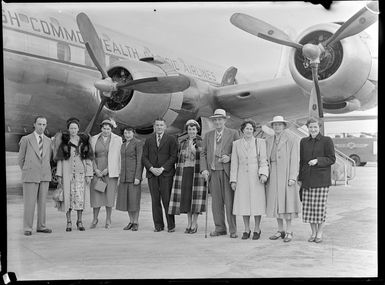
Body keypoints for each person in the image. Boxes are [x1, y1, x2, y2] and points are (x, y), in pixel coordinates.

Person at [200, 109, 240, 238]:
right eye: (215, 119)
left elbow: (239, 152)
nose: (217, 122)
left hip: (227, 172)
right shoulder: (208, 135)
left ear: (225, 120)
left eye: (220, 119)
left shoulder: (233, 133)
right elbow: (203, 153)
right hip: (213, 172)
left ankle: (233, 230)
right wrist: (204, 169)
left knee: (229, 202)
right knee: (216, 203)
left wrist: (229, 157)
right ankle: (220, 228)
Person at [298, 117, 336, 243]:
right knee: (309, 209)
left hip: (321, 180)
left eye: (315, 127)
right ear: (307, 128)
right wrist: (300, 178)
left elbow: (332, 159)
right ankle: (313, 232)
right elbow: (302, 161)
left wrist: (318, 160)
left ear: (319, 127)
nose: (313, 129)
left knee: (319, 209)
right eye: (310, 127)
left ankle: (319, 232)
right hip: (307, 180)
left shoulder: (327, 140)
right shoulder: (303, 141)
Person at [230, 120, 269, 240]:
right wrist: (233, 180)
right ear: (242, 130)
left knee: (257, 203)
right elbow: (234, 162)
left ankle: (257, 228)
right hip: (242, 176)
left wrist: (264, 174)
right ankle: (246, 229)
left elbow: (263, 159)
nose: (249, 131)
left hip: (255, 176)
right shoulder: (236, 144)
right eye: (247, 129)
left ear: (254, 130)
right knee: (244, 203)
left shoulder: (260, 142)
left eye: (251, 129)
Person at [265, 116, 301, 242]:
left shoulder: (292, 139)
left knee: (287, 203)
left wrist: (293, 176)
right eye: (275, 125)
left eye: (280, 125)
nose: (277, 127)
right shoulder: (268, 140)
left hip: (286, 173)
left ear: (284, 126)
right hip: (273, 173)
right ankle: (280, 230)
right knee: (276, 203)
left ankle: (289, 231)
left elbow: (295, 159)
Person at [55, 118, 94, 232]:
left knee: (79, 199)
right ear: (68, 129)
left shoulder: (84, 142)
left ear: (78, 129)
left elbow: (88, 159)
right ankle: (68, 222)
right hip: (68, 174)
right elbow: (60, 160)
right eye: (71, 128)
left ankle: (79, 221)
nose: (73, 130)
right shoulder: (64, 143)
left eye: (75, 128)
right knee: (68, 198)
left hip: (81, 174)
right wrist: (59, 175)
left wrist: (89, 174)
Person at [168, 120, 206, 234]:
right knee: (187, 198)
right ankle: (189, 222)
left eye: (193, 129)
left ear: (197, 130)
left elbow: (204, 157)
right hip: (184, 171)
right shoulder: (183, 142)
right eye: (189, 129)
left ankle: (195, 223)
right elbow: (179, 157)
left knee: (195, 199)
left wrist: (195, 151)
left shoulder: (201, 142)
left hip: (196, 173)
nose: (191, 131)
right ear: (187, 130)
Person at [18, 115, 53, 236]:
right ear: (34, 124)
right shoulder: (26, 139)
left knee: (43, 203)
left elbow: (48, 158)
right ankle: (27, 227)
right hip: (30, 175)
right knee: (29, 203)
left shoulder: (49, 141)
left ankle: (41, 226)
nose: (41, 127)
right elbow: (21, 159)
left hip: (44, 175)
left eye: (44, 125)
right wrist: (27, 170)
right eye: (39, 124)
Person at [142, 118, 178, 232]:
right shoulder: (148, 140)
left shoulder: (171, 139)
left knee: (167, 200)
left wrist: (162, 169)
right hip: (152, 174)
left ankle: (171, 225)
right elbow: (144, 157)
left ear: (165, 127)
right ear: (154, 127)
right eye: (157, 125)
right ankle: (158, 225)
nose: (159, 127)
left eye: (161, 125)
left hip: (166, 174)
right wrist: (152, 168)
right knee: (155, 200)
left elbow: (173, 157)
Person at [90, 119, 122, 229]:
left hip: (110, 172)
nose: (106, 130)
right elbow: (91, 156)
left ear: (111, 129)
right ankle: (95, 218)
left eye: (108, 129)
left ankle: (108, 219)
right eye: (104, 128)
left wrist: (108, 169)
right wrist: (95, 169)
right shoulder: (94, 139)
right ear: (101, 128)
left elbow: (118, 157)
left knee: (109, 196)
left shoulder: (117, 139)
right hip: (98, 173)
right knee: (97, 195)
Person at [116, 127, 143, 231]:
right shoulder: (123, 145)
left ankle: (136, 222)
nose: (127, 135)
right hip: (124, 176)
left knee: (134, 200)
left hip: (133, 176)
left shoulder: (138, 143)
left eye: (129, 133)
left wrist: (138, 176)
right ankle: (131, 221)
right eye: (125, 133)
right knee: (127, 200)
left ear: (133, 133)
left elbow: (140, 161)